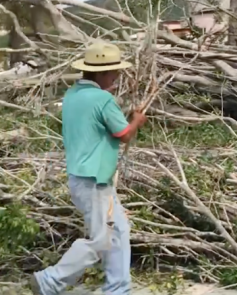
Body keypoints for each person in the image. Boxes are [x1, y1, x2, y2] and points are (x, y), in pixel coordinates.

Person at [31, 41, 146, 295]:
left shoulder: (72, 95)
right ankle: (51, 279)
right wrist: (137, 120)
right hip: (94, 179)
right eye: (114, 71)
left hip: (81, 176)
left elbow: (96, 125)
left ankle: (118, 289)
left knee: (118, 231)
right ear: (102, 73)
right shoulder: (102, 99)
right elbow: (123, 133)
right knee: (101, 240)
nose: (117, 76)